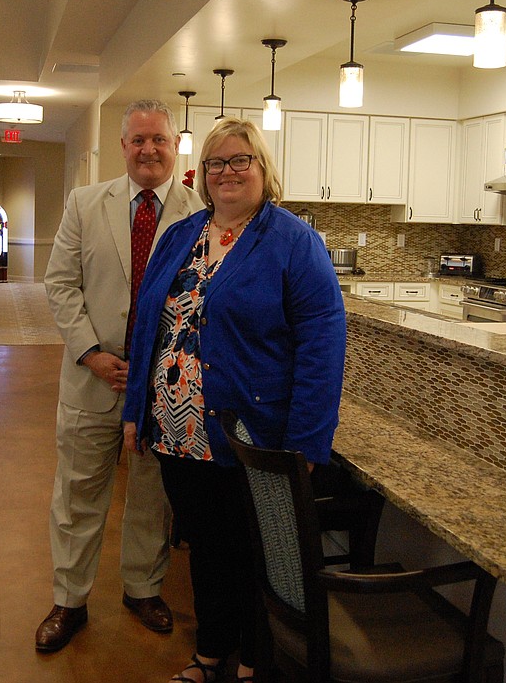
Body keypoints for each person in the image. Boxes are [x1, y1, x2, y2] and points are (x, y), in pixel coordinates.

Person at [121, 117, 346, 683]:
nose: (228, 171)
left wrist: (306, 440)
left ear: (263, 170)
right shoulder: (182, 234)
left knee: (253, 551)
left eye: (240, 160)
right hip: (177, 432)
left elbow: (323, 342)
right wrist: (135, 411)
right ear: (203, 175)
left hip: (251, 434)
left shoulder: (294, 241)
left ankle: (253, 659)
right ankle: (210, 652)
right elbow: (148, 325)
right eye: (217, 162)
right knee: (205, 548)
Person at [37, 99, 206, 653]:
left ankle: (143, 589)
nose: (148, 150)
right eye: (138, 140)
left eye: (158, 139)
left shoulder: (199, 211)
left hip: (163, 385)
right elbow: (61, 283)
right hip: (92, 377)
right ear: (123, 146)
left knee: (154, 496)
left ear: (175, 143)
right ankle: (69, 601)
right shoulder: (87, 203)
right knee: (78, 493)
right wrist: (91, 353)